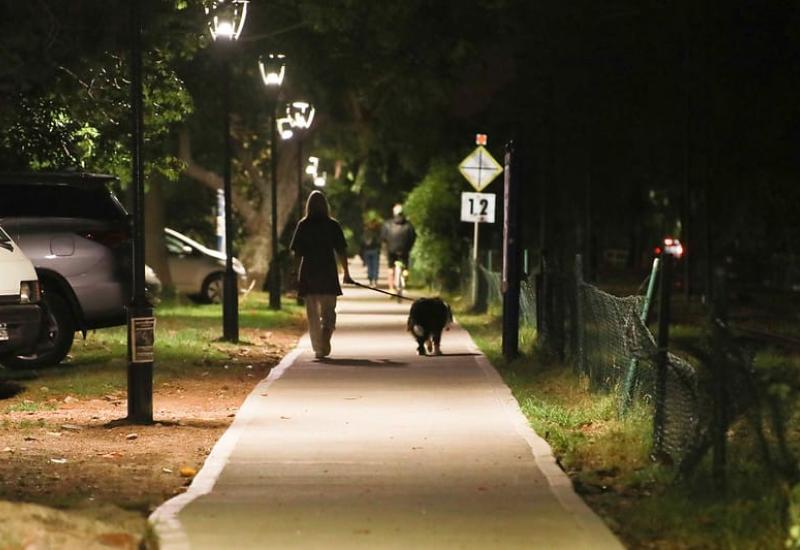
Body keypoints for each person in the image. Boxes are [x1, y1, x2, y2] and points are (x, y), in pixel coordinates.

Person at [289, 190, 353, 359]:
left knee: (312, 314)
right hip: (328, 273)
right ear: (326, 205)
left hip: (309, 273)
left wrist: (294, 273)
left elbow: (297, 253)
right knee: (329, 312)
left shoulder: (303, 225)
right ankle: (326, 334)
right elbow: (341, 251)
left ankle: (318, 347)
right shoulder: (333, 225)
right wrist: (346, 272)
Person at [380, 203, 416, 291]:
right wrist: (409, 247)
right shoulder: (408, 225)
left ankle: (391, 288)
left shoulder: (387, 224)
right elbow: (413, 237)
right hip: (404, 250)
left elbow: (383, 238)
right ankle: (405, 272)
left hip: (391, 250)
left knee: (390, 268)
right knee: (405, 264)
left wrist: (387, 246)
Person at [360, 217, 382, 287]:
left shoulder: (365, 232)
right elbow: (379, 241)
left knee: (369, 266)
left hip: (367, 251)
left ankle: (370, 280)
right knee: (375, 266)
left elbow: (362, 242)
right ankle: (375, 281)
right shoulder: (376, 232)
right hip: (375, 250)